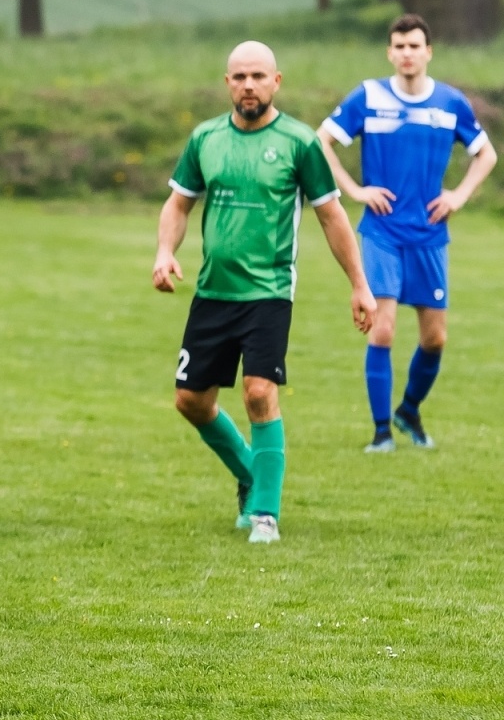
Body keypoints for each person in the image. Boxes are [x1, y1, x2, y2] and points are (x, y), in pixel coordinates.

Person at [153, 41, 376, 545]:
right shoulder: (205, 138)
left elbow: (332, 216)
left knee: (259, 393)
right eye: (239, 77)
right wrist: (165, 252)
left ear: (276, 81)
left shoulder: (299, 142)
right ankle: (252, 474)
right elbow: (178, 204)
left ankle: (264, 516)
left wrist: (359, 284)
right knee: (190, 401)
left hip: (270, 291)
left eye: (258, 76)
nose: (248, 85)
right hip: (213, 291)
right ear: (227, 83)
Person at [317, 13, 496, 452]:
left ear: (428, 52)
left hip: (430, 234)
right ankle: (381, 433)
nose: (407, 53)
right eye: (399, 46)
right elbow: (320, 141)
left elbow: (486, 154)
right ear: (389, 53)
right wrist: (355, 190)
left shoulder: (450, 103)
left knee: (435, 338)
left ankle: (408, 411)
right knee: (383, 329)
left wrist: (458, 196)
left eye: (414, 46)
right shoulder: (369, 97)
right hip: (381, 232)